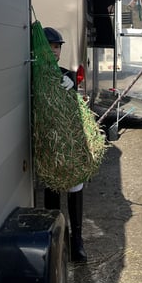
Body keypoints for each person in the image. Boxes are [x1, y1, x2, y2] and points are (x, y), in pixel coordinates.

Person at [42, 27, 87, 263]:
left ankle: (77, 240)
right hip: (47, 144)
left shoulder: (65, 75)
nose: (54, 51)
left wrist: (71, 79)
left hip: (66, 143)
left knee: (75, 183)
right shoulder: (35, 76)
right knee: (51, 188)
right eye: (50, 47)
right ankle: (55, 238)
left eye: (57, 47)